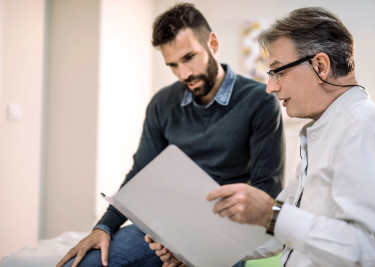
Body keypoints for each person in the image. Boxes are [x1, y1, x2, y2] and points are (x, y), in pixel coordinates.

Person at [148, 6, 375, 267]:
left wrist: (271, 214)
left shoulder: (369, 128)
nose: (270, 87)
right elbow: (276, 233)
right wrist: (191, 249)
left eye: (279, 71)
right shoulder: (322, 134)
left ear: (320, 66)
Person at [57, 3, 285, 267]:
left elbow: (267, 190)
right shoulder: (162, 103)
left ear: (212, 43)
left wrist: (195, 247)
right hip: (163, 227)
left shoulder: (259, 100)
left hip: (222, 234)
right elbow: (140, 173)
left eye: (189, 57)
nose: (184, 74)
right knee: (85, 264)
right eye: (173, 65)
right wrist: (103, 227)